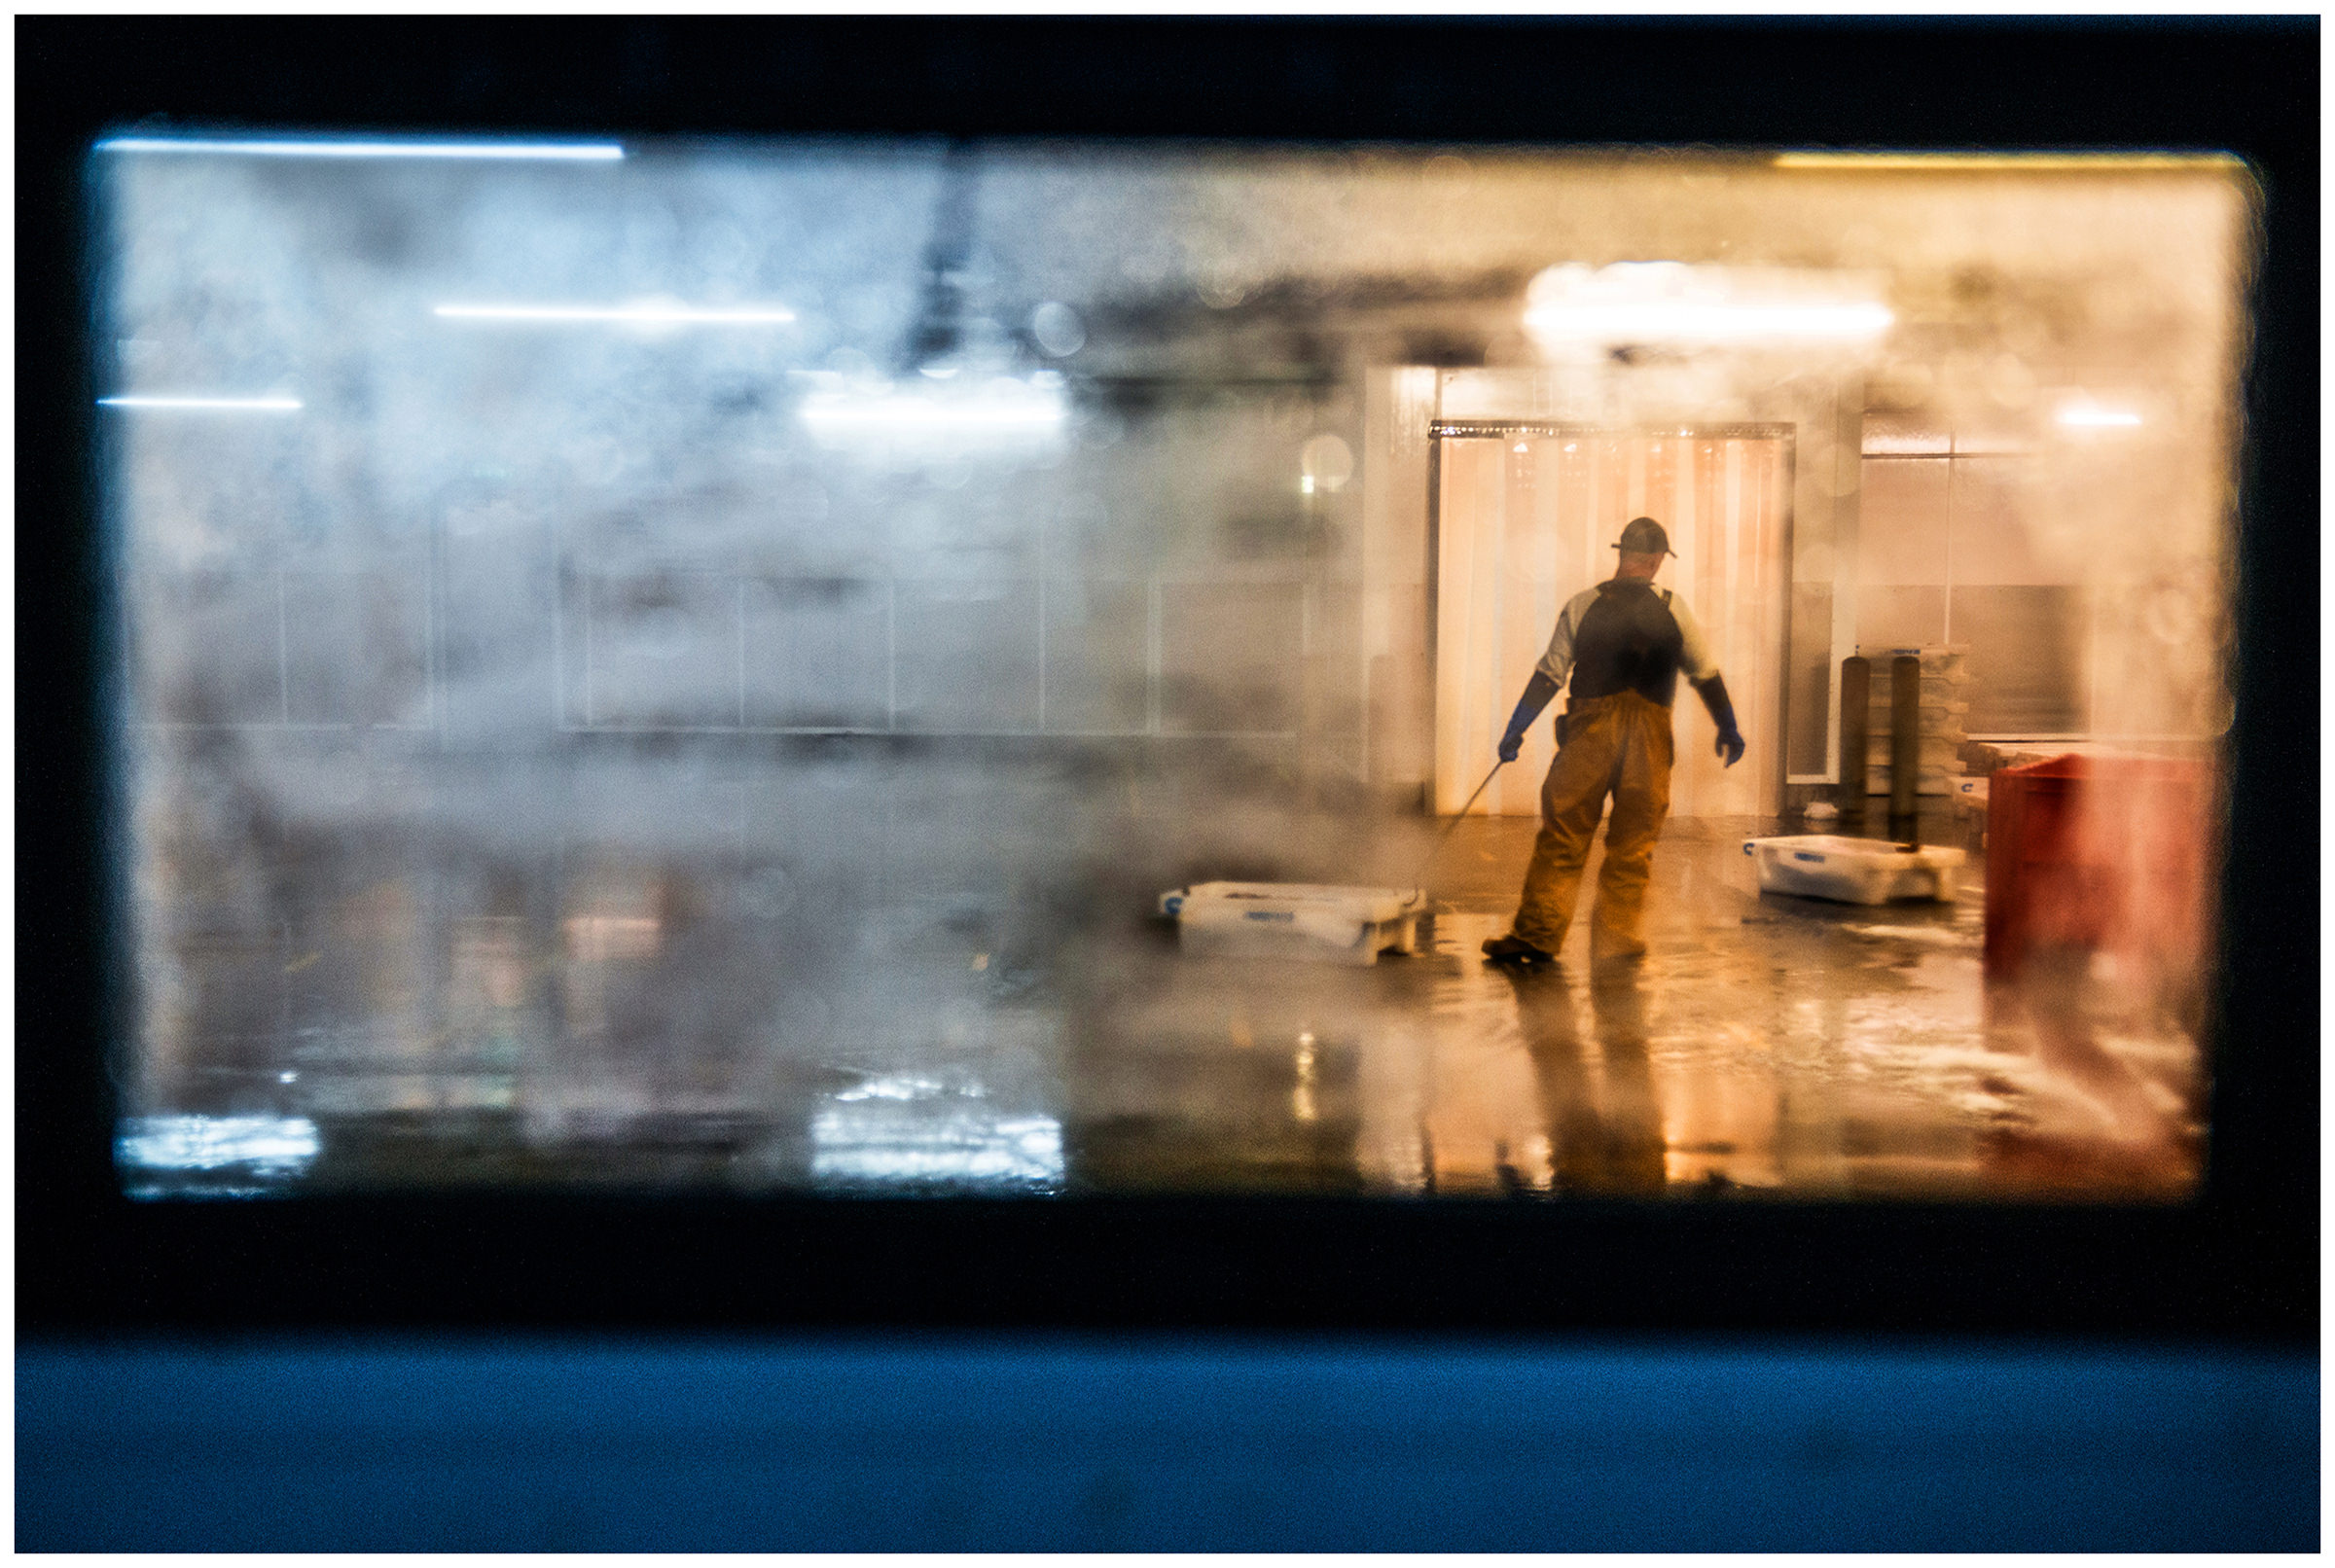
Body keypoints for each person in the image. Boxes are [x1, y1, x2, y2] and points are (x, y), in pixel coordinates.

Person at [1481, 517, 1744, 967]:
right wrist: (1728, 726)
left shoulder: (1582, 604)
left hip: (1590, 733)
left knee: (1563, 834)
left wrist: (1515, 728)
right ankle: (1616, 938)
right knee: (1633, 840)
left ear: (1622, 554)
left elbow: (1550, 673)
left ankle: (1538, 935)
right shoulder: (1673, 607)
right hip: (1649, 736)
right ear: (1658, 559)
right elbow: (1705, 672)